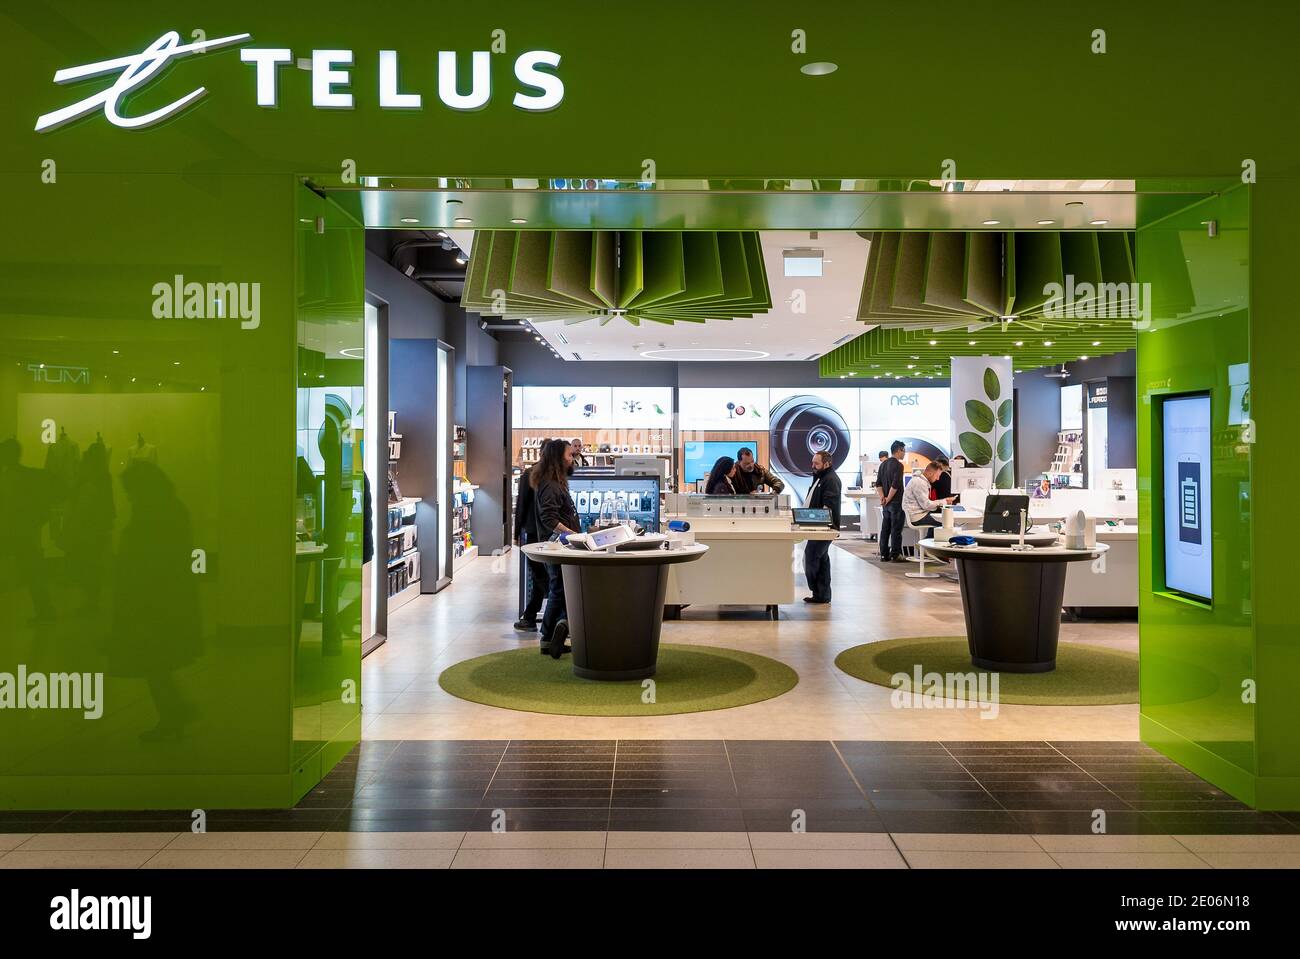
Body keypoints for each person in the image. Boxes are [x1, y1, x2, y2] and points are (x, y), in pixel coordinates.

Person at [532, 439, 580, 658]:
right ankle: (549, 636)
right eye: (569, 455)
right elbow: (549, 518)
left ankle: (553, 635)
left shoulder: (555, 482)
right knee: (559, 589)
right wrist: (572, 535)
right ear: (558, 458)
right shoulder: (551, 485)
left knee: (560, 588)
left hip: (561, 545)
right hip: (558, 546)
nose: (573, 458)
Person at [512, 462, 548, 632]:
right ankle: (532, 617)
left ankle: (530, 617)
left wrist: (517, 531)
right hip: (541, 532)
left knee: (539, 576)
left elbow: (521, 504)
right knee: (542, 576)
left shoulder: (533, 473)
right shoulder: (549, 474)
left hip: (534, 531)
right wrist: (517, 532)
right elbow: (522, 504)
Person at [802, 450, 841, 604]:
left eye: (816, 463)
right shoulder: (821, 477)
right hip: (817, 527)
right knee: (821, 559)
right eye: (813, 462)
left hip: (824, 528)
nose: (813, 466)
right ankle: (822, 595)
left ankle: (819, 593)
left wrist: (818, 523)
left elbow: (828, 507)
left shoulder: (830, 479)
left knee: (811, 557)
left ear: (827, 463)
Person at [903, 461, 954, 534]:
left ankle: (929, 541)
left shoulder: (919, 481)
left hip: (918, 514)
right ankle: (928, 543)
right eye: (937, 475)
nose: (938, 479)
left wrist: (943, 501)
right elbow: (926, 505)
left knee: (941, 518)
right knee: (945, 522)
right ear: (930, 473)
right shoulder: (920, 483)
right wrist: (944, 501)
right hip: (917, 517)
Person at [877, 441, 906, 561]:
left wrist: (882, 497)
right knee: (896, 529)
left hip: (886, 503)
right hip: (896, 502)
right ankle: (895, 554)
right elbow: (895, 485)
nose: (904, 453)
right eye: (904, 450)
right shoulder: (899, 465)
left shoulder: (883, 464)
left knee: (885, 529)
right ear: (899, 450)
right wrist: (888, 498)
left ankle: (884, 554)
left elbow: (878, 483)